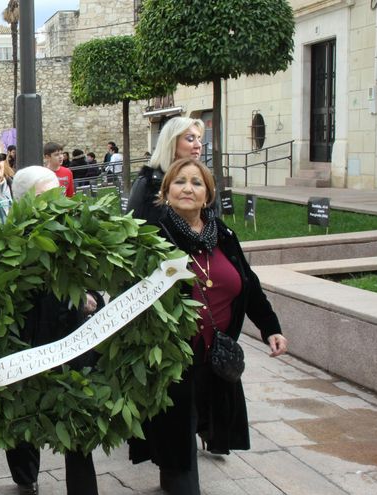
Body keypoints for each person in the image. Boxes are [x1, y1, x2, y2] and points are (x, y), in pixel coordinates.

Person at [128, 158, 288, 494]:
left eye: (196, 183)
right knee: (177, 437)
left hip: (215, 356)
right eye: (179, 182)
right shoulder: (153, 238)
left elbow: (248, 283)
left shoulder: (224, 236)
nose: (187, 188)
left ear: (208, 195)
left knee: (204, 420)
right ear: (165, 192)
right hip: (172, 359)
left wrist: (270, 327)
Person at [3, 166, 102, 495]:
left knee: (78, 423)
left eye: (59, 193)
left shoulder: (73, 231)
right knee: (24, 419)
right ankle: (25, 477)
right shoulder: (7, 240)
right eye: (47, 196)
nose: (58, 201)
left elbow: (94, 277)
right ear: (24, 201)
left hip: (72, 344)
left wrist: (91, 297)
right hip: (28, 345)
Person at [128, 117, 205, 226]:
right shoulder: (147, 183)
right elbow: (131, 228)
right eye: (190, 139)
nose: (198, 145)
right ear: (172, 142)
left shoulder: (206, 183)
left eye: (199, 139)